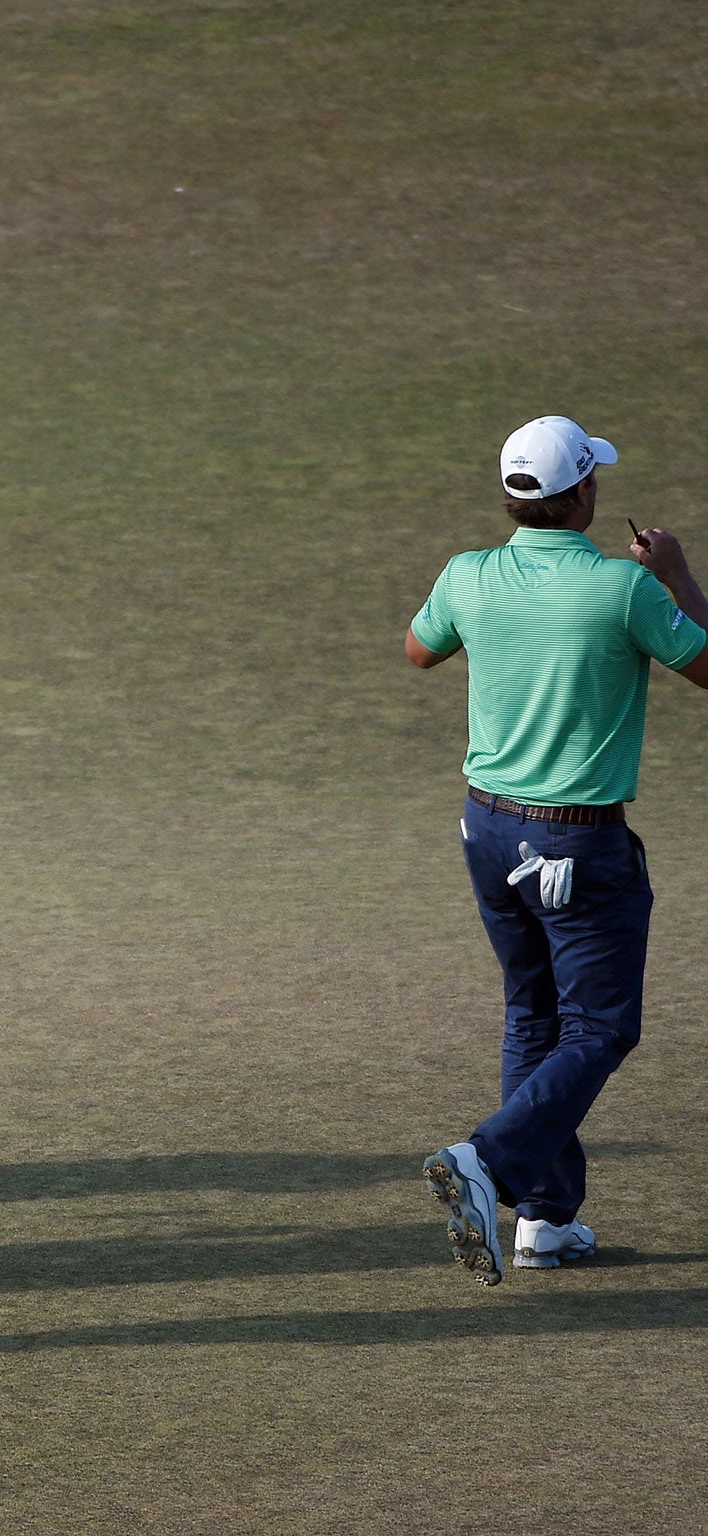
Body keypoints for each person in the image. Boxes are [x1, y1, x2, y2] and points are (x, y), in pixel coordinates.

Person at [408, 415, 708, 1284]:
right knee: (601, 1027)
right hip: (575, 840)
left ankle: (545, 1219)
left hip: (487, 829)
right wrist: (680, 575)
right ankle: (490, 1161)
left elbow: (418, 651)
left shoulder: (467, 574)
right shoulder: (625, 589)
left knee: (533, 1013)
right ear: (581, 494)